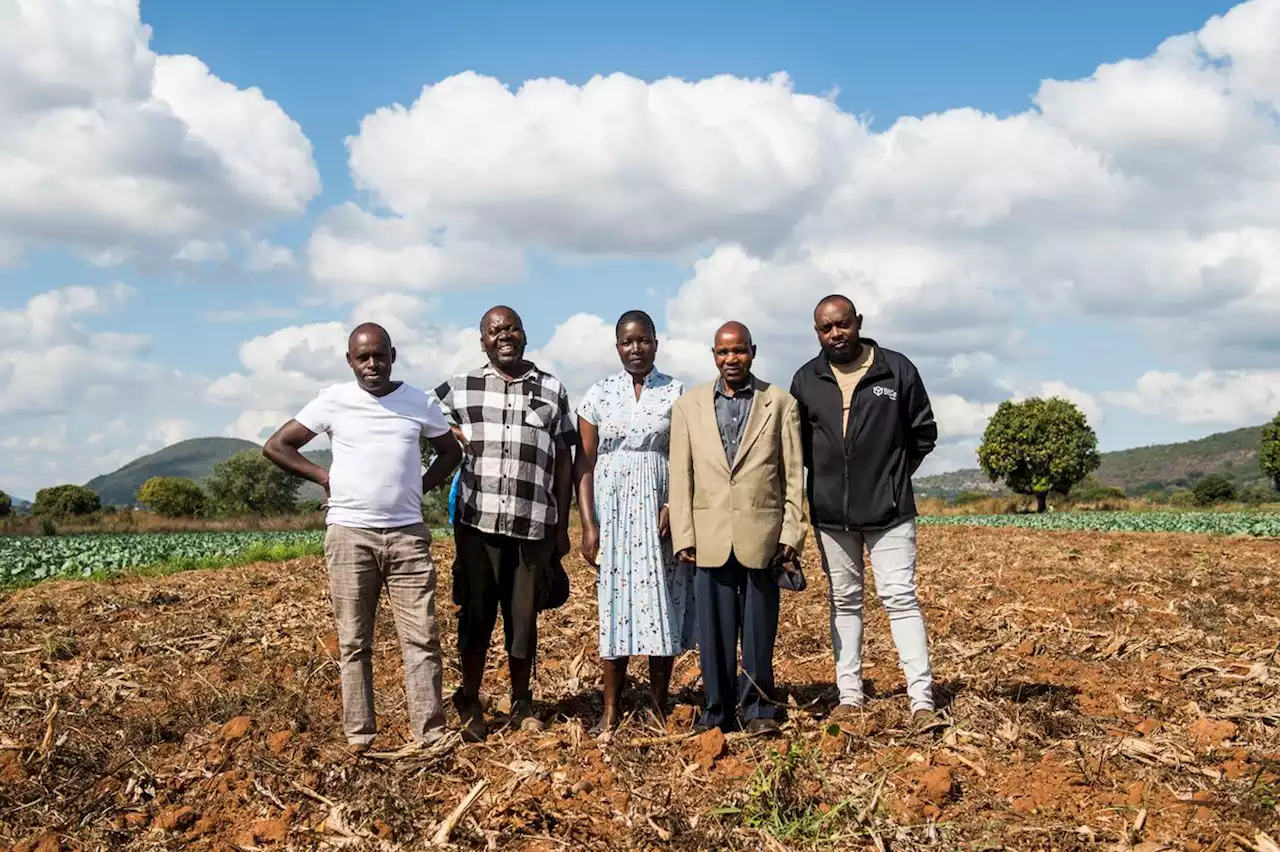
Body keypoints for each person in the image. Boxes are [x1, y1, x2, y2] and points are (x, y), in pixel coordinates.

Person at [262, 323, 462, 754]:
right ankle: (361, 737)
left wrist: (420, 486)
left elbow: (452, 452)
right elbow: (278, 445)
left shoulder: (419, 400)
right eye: (362, 357)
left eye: (380, 356)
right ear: (349, 360)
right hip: (351, 535)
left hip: (408, 535)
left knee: (422, 638)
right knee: (355, 641)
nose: (372, 364)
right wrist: (324, 477)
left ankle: (430, 734)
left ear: (394, 354)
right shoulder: (333, 400)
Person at [788, 294, 941, 729]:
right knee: (845, 602)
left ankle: (921, 700)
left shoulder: (895, 369)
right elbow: (797, 445)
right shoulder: (807, 378)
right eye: (825, 328)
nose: (835, 334)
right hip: (832, 515)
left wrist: (892, 479)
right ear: (817, 332)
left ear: (858, 322)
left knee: (900, 598)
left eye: (842, 324)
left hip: (890, 513)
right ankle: (850, 696)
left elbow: (923, 433)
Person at [431, 305, 575, 742]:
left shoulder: (552, 389)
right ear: (483, 341)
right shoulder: (460, 386)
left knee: (523, 616)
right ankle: (470, 698)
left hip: (533, 523)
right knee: (476, 614)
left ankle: (522, 700)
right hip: (477, 523)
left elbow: (567, 457)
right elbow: (420, 421)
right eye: (495, 332)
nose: (504, 336)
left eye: (512, 328)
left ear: (525, 334)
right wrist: (447, 436)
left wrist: (561, 522)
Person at [668, 321, 807, 735]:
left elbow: (794, 475)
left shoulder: (779, 403)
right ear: (714, 356)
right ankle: (717, 712)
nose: (732, 359)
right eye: (723, 352)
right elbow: (681, 475)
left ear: (753, 352)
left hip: (762, 535)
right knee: (712, 634)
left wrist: (791, 534)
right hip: (709, 535)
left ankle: (759, 712)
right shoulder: (688, 406)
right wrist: (684, 535)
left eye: (739, 351)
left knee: (760, 631)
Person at [575, 310, 696, 735]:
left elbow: (686, 457)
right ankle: (612, 709)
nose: (636, 349)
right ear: (617, 347)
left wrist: (674, 505)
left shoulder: (676, 392)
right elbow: (584, 463)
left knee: (663, 600)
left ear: (655, 344)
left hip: (658, 510)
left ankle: (659, 706)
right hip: (613, 512)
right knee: (614, 604)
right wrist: (589, 524)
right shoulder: (598, 395)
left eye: (643, 340)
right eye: (627, 342)